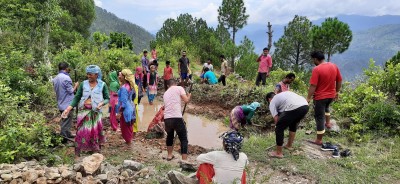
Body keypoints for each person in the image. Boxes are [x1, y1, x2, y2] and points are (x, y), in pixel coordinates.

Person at [62, 65, 109, 156]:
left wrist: (102, 103)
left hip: (96, 113)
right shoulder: (83, 84)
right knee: (81, 132)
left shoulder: (102, 85)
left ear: (96, 74)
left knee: (95, 131)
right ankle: (77, 153)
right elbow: (77, 98)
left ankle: (95, 151)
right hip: (83, 112)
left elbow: (107, 98)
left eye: (90, 74)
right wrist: (68, 108)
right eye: (87, 74)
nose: (88, 76)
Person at [307, 51, 342, 145]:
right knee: (326, 108)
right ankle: (328, 123)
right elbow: (339, 80)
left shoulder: (317, 69)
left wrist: (308, 98)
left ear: (315, 59)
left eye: (313, 60)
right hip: (331, 95)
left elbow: (313, 86)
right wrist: (337, 92)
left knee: (319, 117)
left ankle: (319, 140)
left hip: (320, 97)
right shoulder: (334, 66)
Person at [266, 91, 309, 158]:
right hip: (305, 106)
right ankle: (289, 145)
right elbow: (286, 114)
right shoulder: (283, 95)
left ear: (269, 99)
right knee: (293, 124)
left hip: (295, 106)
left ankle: (278, 153)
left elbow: (276, 119)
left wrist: (278, 126)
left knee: (279, 128)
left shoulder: (272, 101)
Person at [163, 79, 191, 161]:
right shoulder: (179, 88)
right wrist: (189, 96)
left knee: (170, 136)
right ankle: (184, 160)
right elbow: (186, 100)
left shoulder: (165, 93)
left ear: (168, 85)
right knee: (183, 138)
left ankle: (169, 155)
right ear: (175, 84)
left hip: (167, 118)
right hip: (177, 117)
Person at [52, 62, 79, 141]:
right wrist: (76, 86)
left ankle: (68, 134)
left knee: (66, 120)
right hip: (67, 103)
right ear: (66, 68)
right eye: (68, 67)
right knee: (66, 121)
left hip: (60, 102)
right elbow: (71, 91)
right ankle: (64, 138)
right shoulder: (66, 78)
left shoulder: (55, 78)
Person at [116, 69, 138, 145]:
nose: (119, 76)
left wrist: (119, 112)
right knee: (129, 126)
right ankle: (129, 141)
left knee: (125, 127)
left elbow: (124, 103)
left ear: (125, 77)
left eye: (120, 75)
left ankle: (128, 143)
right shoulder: (130, 86)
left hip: (126, 110)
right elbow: (133, 96)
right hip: (131, 107)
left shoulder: (123, 88)